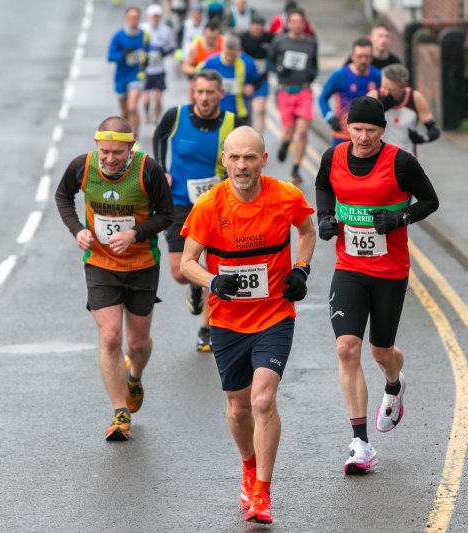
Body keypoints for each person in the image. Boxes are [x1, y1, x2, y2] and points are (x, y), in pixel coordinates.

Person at [180, 126, 316, 524]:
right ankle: (248, 465)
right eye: (235, 157)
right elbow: (188, 261)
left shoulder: (285, 196)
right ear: (224, 160)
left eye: (250, 157)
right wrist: (212, 280)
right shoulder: (208, 206)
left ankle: (263, 493)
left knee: (262, 401)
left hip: (275, 315)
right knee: (239, 409)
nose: (242, 165)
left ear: (263, 161)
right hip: (227, 321)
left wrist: (301, 269)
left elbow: (306, 232)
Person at [314, 97, 438, 473]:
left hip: (390, 271)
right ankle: (360, 443)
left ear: (382, 130)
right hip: (349, 267)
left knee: (381, 352)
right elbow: (323, 187)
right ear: (347, 127)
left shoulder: (400, 162)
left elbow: (430, 200)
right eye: (357, 129)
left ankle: (395, 384)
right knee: (346, 348)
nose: (363, 137)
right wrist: (324, 219)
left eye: (371, 130)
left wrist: (400, 216)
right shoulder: (332, 157)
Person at [55, 116, 174, 442]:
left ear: (130, 149)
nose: (109, 159)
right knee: (110, 337)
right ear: (97, 147)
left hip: (142, 264)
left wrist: (135, 233)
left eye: (117, 153)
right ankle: (120, 412)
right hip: (100, 263)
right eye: (104, 151)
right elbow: (62, 196)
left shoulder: (147, 171)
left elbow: (167, 215)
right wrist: (77, 229)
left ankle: (134, 377)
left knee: (137, 343)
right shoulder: (82, 166)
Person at [153, 70, 247, 351]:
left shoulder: (234, 123)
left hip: (218, 204)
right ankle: (196, 284)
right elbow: (159, 137)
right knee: (180, 272)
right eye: (200, 92)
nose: (204, 98)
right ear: (193, 92)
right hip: (179, 202)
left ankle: (207, 327)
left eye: (210, 92)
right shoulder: (176, 116)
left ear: (221, 94)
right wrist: (162, 169)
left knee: (217, 266)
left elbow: (247, 157)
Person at [268, 7, 318, 184]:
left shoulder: (311, 42)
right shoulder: (279, 41)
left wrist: (311, 75)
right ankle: (285, 143)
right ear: (288, 24)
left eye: (300, 22)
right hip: (285, 91)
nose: (297, 25)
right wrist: (280, 69)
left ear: (304, 24)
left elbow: (314, 65)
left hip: (304, 90)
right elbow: (270, 63)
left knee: (303, 131)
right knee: (288, 132)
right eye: (294, 22)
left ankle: (296, 168)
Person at [318, 37, 381, 146]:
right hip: (343, 135)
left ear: (371, 57)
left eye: (367, 56)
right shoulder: (340, 75)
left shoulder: (378, 76)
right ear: (352, 56)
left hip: (369, 138)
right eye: (360, 56)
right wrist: (330, 117)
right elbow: (323, 98)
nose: (363, 60)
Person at [367, 64, 440, 155]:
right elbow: (360, 125)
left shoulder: (415, 98)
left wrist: (421, 138)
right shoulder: (374, 96)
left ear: (404, 86)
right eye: (384, 86)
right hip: (380, 158)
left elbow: (434, 130)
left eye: (392, 89)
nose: (386, 92)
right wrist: (380, 108)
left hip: (407, 159)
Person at [198, 33, 261, 123]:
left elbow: (257, 81)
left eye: (233, 55)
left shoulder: (248, 62)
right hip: (216, 111)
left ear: (239, 50)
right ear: (222, 48)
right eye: (227, 54)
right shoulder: (211, 62)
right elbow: (200, 80)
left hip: (240, 112)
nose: (230, 58)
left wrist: (251, 86)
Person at [107, 7, 149, 141]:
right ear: (126, 19)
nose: (134, 21)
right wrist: (123, 55)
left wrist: (146, 58)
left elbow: (149, 54)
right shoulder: (118, 36)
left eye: (136, 18)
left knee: (132, 107)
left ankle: (134, 138)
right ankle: (124, 136)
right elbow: (110, 56)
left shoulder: (144, 35)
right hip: (121, 77)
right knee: (125, 111)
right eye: (131, 18)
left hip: (137, 76)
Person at [140, 4, 177, 124]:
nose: (155, 19)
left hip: (159, 70)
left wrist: (165, 52)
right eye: (153, 16)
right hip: (145, 70)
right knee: (146, 100)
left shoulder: (166, 30)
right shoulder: (142, 29)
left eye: (157, 16)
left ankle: (155, 118)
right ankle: (146, 112)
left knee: (159, 100)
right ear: (149, 17)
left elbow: (172, 47)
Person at [240, 15, 273, 135]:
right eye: (255, 28)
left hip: (262, 79)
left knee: (260, 109)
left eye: (260, 28)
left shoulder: (269, 38)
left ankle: (259, 138)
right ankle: (248, 134)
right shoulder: (243, 38)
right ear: (250, 27)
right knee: (246, 110)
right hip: (246, 79)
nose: (257, 31)